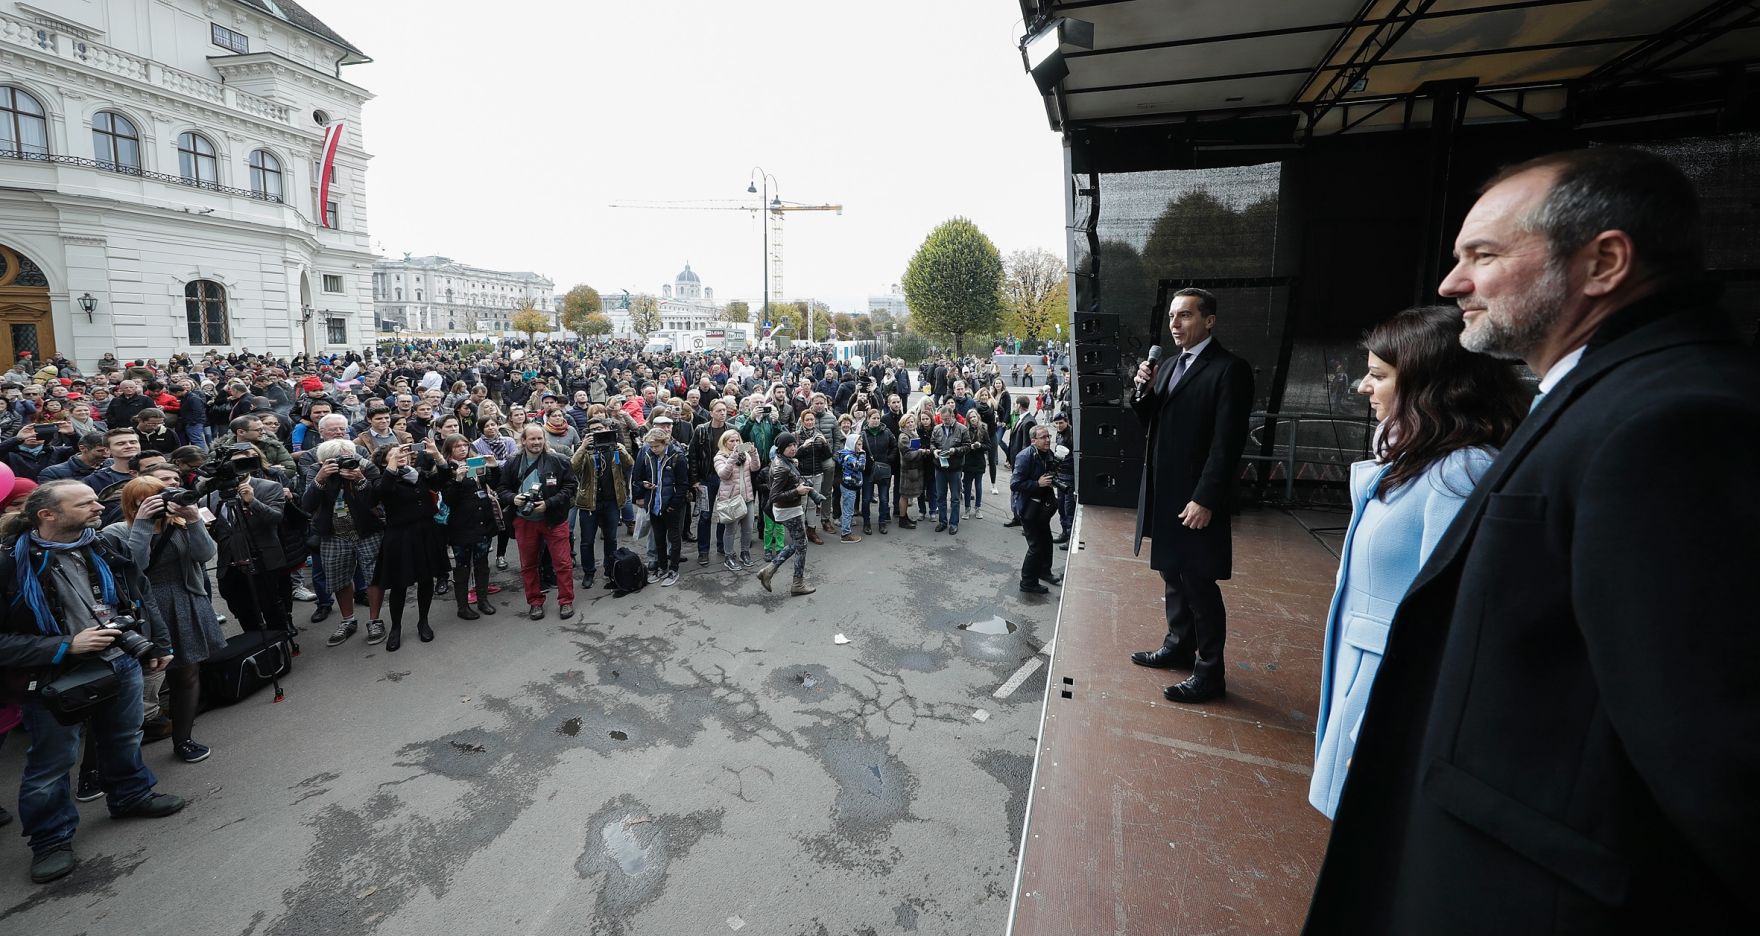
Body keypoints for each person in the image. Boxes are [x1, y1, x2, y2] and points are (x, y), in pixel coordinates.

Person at [1305, 149, 1760, 933]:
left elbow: (1717, 757)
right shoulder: (1605, 395)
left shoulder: (1675, 418)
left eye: (1482, 256)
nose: (1453, 284)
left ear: (1605, 262)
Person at [1308, 306, 1525, 819]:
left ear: (1432, 385)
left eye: (1379, 375)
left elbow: (1451, 623)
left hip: (1388, 696)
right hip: (1368, 682)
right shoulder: (1421, 459)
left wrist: (1385, 725)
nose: (1364, 387)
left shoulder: (1461, 473)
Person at [0, 480, 185, 884]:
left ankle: (131, 795)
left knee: (124, 737)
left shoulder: (101, 544)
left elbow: (136, 594)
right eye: (84, 503)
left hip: (121, 659)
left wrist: (155, 643)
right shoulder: (9, 564)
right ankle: (50, 840)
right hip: (54, 676)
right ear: (47, 515)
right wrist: (66, 644)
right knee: (52, 763)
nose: (98, 507)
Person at [1128, 287, 1255, 705]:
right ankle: (1178, 646)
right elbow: (1152, 421)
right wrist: (1141, 391)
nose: (1175, 324)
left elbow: (1227, 443)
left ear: (1209, 320)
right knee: (1172, 574)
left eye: (1184, 316)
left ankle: (1209, 673)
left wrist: (1206, 498)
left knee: (1199, 583)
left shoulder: (1229, 369)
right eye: (1171, 317)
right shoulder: (1165, 366)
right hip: (1165, 493)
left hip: (1195, 498)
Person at [108, 476, 227, 765]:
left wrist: (194, 518)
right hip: (142, 608)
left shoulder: (179, 524)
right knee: (127, 686)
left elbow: (206, 554)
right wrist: (144, 524)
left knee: (186, 675)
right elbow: (136, 568)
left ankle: (183, 739)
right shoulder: (116, 532)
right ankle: (103, 762)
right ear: (132, 504)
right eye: (149, 500)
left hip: (184, 600)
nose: (161, 505)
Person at [303, 438, 386, 646]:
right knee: (339, 578)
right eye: (335, 459)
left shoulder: (365, 466)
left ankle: (375, 620)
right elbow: (307, 504)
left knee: (373, 576)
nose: (341, 462)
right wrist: (321, 478)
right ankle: (348, 620)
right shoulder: (316, 469)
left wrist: (360, 480)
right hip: (333, 534)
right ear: (323, 460)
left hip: (367, 530)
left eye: (346, 457)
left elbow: (378, 498)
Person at [370, 438, 447, 650]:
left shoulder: (419, 474)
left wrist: (436, 455)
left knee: (425, 580)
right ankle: (396, 627)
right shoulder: (381, 480)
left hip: (426, 532)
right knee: (399, 585)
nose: (401, 455)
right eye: (394, 455)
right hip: (400, 536)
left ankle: (423, 621)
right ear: (385, 463)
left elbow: (444, 479)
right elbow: (382, 492)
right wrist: (393, 465)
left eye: (402, 453)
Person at [498, 423, 577, 620]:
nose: (536, 442)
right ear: (523, 441)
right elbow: (502, 488)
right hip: (524, 521)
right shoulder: (513, 462)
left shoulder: (559, 461)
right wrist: (512, 498)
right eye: (532, 439)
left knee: (563, 563)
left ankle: (566, 601)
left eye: (540, 438)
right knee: (529, 565)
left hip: (554, 519)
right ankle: (534, 602)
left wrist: (549, 503)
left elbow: (570, 487)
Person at [437, 433, 500, 618]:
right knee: (462, 566)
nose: (463, 449)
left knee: (482, 563)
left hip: (481, 522)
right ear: (449, 450)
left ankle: (483, 600)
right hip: (460, 527)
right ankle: (462, 606)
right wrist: (457, 479)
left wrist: (494, 467)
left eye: (465, 445)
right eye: (458, 446)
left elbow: (492, 483)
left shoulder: (474, 463)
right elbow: (449, 499)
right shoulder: (445, 469)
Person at [569, 418, 630, 590]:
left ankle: (610, 569)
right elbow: (572, 468)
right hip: (589, 502)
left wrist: (621, 449)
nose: (598, 432)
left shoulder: (615, 447)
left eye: (600, 429)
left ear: (607, 429)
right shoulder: (585, 450)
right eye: (593, 430)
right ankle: (589, 572)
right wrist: (582, 447)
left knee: (611, 539)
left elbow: (629, 464)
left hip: (611, 501)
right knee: (587, 541)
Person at [753, 432, 816, 596]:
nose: (793, 448)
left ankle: (769, 570)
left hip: (790, 508)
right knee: (802, 544)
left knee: (799, 542)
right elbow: (774, 496)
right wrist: (797, 490)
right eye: (789, 446)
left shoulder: (783, 460)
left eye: (794, 444)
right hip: (788, 510)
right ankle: (797, 583)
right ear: (781, 448)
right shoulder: (781, 467)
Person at [632, 427, 689, 586]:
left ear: (665, 443)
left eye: (656, 446)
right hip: (654, 504)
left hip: (670, 506)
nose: (653, 449)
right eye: (651, 446)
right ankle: (662, 567)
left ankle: (673, 569)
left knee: (674, 538)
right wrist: (644, 485)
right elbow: (639, 478)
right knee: (658, 538)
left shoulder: (678, 457)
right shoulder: (648, 455)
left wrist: (672, 505)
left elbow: (683, 485)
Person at [1011, 424, 1063, 593]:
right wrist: (1037, 484)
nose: (1048, 440)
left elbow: (1049, 474)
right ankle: (1027, 582)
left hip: (1042, 508)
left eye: (1048, 436)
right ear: (1034, 440)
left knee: (1046, 540)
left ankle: (1044, 572)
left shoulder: (1048, 453)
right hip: (1028, 508)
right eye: (1043, 437)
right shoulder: (1024, 456)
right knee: (1036, 546)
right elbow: (1015, 484)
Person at [712, 429, 758, 570]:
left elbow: (756, 468)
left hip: (747, 497)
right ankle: (729, 556)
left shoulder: (744, 455)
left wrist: (753, 453)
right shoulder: (719, 457)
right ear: (725, 443)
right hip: (731, 499)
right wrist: (732, 457)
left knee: (748, 528)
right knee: (730, 529)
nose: (735, 443)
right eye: (732, 441)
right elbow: (723, 475)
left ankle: (745, 552)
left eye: (737, 440)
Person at [929, 403, 969, 534]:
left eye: (947, 419)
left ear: (952, 416)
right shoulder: (937, 429)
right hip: (939, 467)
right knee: (940, 496)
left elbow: (967, 446)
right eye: (942, 418)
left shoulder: (962, 429)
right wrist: (934, 451)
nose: (945, 421)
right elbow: (932, 443)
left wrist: (955, 450)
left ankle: (953, 523)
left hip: (955, 468)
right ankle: (942, 521)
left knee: (955, 498)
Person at [893, 413, 924, 529]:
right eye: (908, 422)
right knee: (905, 495)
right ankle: (902, 520)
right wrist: (921, 452)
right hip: (907, 470)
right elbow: (907, 455)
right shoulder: (904, 437)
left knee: (906, 496)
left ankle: (905, 516)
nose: (911, 424)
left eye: (912, 421)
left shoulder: (913, 433)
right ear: (903, 424)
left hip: (913, 469)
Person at [834, 431, 866, 543]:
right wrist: (862, 455)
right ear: (852, 444)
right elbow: (860, 467)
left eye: (861, 444)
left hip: (850, 485)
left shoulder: (848, 453)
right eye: (858, 444)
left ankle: (847, 527)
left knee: (849, 508)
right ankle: (845, 534)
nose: (860, 447)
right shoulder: (849, 456)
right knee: (848, 509)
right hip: (849, 486)